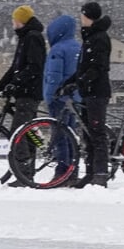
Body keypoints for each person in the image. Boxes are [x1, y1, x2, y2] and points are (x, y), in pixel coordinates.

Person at [57, 2, 113, 187]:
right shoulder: (90, 38)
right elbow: (83, 69)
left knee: (97, 133)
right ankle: (90, 173)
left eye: (82, 15)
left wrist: (78, 82)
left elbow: (97, 68)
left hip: (97, 92)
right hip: (88, 92)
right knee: (88, 134)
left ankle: (100, 173)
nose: (80, 19)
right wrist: (69, 83)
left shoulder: (100, 38)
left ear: (88, 16)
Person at [0, 5, 46, 186]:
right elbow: (14, 69)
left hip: (29, 93)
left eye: (15, 20)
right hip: (24, 91)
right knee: (28, 132)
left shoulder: (32, 38)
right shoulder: (26, 38)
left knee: (18, 132)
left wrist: (15, 84)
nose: (13, 23)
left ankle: (23, 173)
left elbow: (33, 67)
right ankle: (28, 171)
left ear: (21, 21)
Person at [42, 14, 82, 178]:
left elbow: (54, 76)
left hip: (59, 97)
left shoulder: (57, 49)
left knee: (59, 135)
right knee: (71, 133)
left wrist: (49, 96)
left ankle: (63, 169)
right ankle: (73, 169)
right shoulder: (79, 47)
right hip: (75, 98)